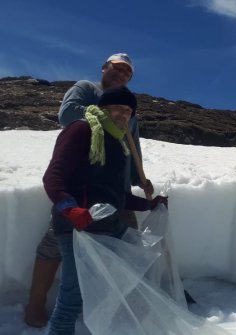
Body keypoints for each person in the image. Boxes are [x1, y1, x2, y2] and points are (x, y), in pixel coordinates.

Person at [24, 53, 153, 328]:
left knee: (128, 245)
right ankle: (37, 304)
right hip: (81, 188)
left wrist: (139, 180)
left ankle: (119, 303)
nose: (121, 74)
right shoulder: (87, 90)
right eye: (117, 68)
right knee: (55, 245)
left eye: (127, 72)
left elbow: (132, 147)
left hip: (113, 188)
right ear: (104, 67)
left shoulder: (128, 110)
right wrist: (103, 114)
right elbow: (67, 115)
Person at [43, 86, 168, 335]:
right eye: (118, 108)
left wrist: (148, 204)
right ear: (103, 108)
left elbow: (116, 195)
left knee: (136, 265)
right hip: (76, 229)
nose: (123, 115)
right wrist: (71, 209)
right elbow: (53, 178)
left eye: (128, 111)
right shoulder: (81, 130)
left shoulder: (117, 144)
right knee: (72, 296)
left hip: (108, 226)